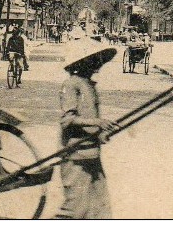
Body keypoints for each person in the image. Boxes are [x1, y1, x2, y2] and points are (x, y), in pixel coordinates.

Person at [56, 37, 119, 219]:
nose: (98, 63)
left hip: (91, 154)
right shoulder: (71, 84)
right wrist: (98, 123)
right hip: (75, 156)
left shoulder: (89, 85)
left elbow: (91, 117)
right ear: (82, 62)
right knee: (73, 210)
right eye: (93, 59)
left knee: (100, 210)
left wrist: (101, 133)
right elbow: (67, 120)